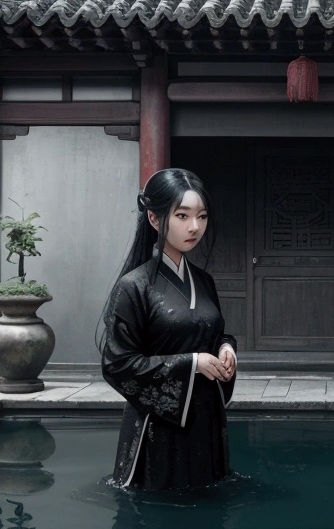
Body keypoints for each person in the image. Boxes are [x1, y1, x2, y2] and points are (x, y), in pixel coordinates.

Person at [100, 168, 237, 490]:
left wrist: (225, 350)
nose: (195, 227)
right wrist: (193, 363)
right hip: (158, 424)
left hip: (206, 416)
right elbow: (118, 364)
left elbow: (215, 334)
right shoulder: (133, 286)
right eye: (182, 215)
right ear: (154, 219)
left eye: (201, 217)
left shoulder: (203, 281)